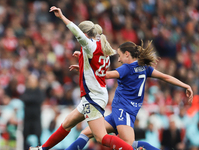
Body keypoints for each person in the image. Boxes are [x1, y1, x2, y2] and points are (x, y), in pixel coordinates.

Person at [30, 6, 135, 150]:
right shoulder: (102, 47)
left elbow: (75, 31)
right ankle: (42, 149)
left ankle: (131, 149)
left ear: (86, 34)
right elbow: (97, 68)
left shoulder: (90, 45)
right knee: (67, 123)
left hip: (93, 97)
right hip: (95, 95)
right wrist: (82, 61)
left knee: (101, 138)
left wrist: (62, 17)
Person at [65, 41, 193, 150]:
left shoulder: (127, 68)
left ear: (127, 54)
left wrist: (84, 65)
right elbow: (165, 77)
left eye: (120, 56)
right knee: (87, 133)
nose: (119, 59)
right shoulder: (145, 67)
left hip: (123, 111)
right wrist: (185, 85)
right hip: (122, 112)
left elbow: (106, 75)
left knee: (128, 145)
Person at [20, 74, 45, 150]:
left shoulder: (39, 91)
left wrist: (30, 99)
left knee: (38, 136)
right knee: (25, 136)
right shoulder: (26, 90)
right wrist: (32, 99)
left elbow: (39, 100)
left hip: (36, 118)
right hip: (27, 118)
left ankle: (39, 149)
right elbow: (24, 99)